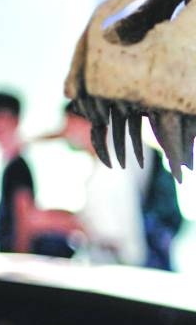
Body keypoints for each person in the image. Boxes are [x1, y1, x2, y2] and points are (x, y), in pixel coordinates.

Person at [0, 91, 82, 256]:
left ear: (15, 120)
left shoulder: (17, 166)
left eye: (0, 117)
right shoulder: (12, 163)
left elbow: (23, 218)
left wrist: (20, 258)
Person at [51, 104, 151, 265]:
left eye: (70, 124)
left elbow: (111, 238)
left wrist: (71, 225)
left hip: (116, 269)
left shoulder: (108, 173)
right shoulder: (106, 168)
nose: (66, 133)